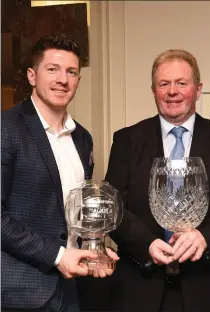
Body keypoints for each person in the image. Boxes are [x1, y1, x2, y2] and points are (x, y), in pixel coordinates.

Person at [99, 49, 210, 312]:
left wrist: (207, 237)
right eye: (164, 84)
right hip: (140, 285)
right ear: (154, 90)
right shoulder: (127, 140)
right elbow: (111, 206)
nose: (172, 91)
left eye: (181, 83)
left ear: (198, 89)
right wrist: (145, 243)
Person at [1, 34, 119, 312]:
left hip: (71, 289)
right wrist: (57, 255)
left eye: (71, 72)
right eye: (52, 69)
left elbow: (76, 211)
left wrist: (95, 250)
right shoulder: (6, 129)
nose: (62, 79)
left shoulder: (83, 138)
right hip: (18, 292)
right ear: (32, 75)